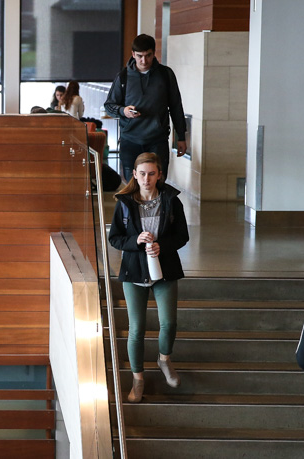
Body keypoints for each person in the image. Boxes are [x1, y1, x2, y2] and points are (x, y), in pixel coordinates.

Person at [108, 152, 189, 403]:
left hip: (165, 269)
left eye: (152, 173)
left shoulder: (170, 200)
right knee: (136, 329)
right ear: (134, 174)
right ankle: (138, 379)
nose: (147, 179)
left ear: (159, 174)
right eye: (142, 174)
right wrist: (135, 241)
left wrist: (161, 246)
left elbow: (182, 236)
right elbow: (115, 238)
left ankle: (164, 359)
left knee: (169, 323)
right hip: (134, 270)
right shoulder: (124, 203)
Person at [104, 34, 187, 182]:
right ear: (133, 54)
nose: (144, 60)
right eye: (140, 56)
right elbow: (109, 106)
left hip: (157, 139)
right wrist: (124, 111)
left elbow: (176, 106)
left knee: (158, 185)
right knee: (132, 187)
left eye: (148, 55)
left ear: (154, 53)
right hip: (130, 139)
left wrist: (181, 136)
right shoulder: (123, 77)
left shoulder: (165, 75)